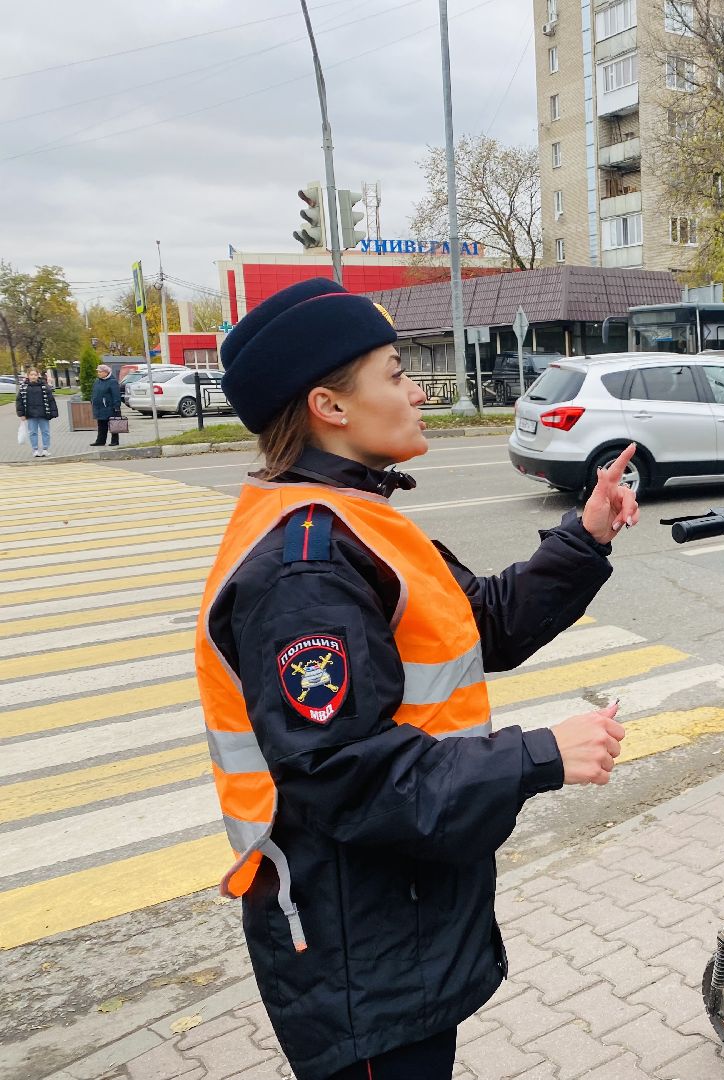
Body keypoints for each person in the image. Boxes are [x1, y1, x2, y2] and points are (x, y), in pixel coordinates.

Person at [195, 278, 638, 1080]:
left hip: (394, 912)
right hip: (357, 941)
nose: (417, 391)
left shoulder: (357, 519)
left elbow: (482, 625)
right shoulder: (308, 566)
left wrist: (588, 535)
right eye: (396, 373)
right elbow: (342, 775)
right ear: (330, 406)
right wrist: (537, 755)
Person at [15, 367, 58, 457]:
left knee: (45, 431)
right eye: (31, 375)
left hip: (43, 413)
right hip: (30, 414)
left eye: (35, 374)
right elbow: (19, 401)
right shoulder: (24, 387)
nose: (33, 376)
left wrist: (53, 412)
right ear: (28, 376)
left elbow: (51, 399)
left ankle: (45, 449)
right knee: (33, 432)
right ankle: (35, 450)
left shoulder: (44, 386)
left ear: (38, 375)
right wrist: (21, 414)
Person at [90, 363, 122, 446]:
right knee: (101, 425)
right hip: (99, 407)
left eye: (100, 372)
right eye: (98, 372)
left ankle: (115, 441)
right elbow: (94, 393)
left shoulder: (112, 382)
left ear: (106, 372)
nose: (98, 373)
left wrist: (116, 406)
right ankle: (100, 441)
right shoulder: (97, 381)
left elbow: (116, 395)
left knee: (113, 424)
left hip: (109, 407)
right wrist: (92, 401)